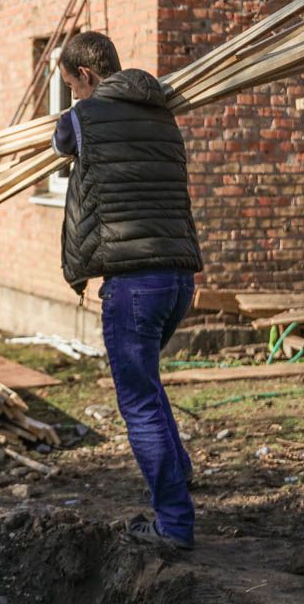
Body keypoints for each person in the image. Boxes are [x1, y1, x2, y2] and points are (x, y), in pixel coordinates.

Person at [51, 31, 203, 550]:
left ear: (88, 78)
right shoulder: (162, 110)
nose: (73, 97)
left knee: (137, 400)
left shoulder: (84, 117)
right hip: (179, 278)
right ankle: (178, 471)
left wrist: (73, 114)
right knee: (147, 384)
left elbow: (61, 142)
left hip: (134, 283)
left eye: (72, 86)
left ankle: (174, 524)